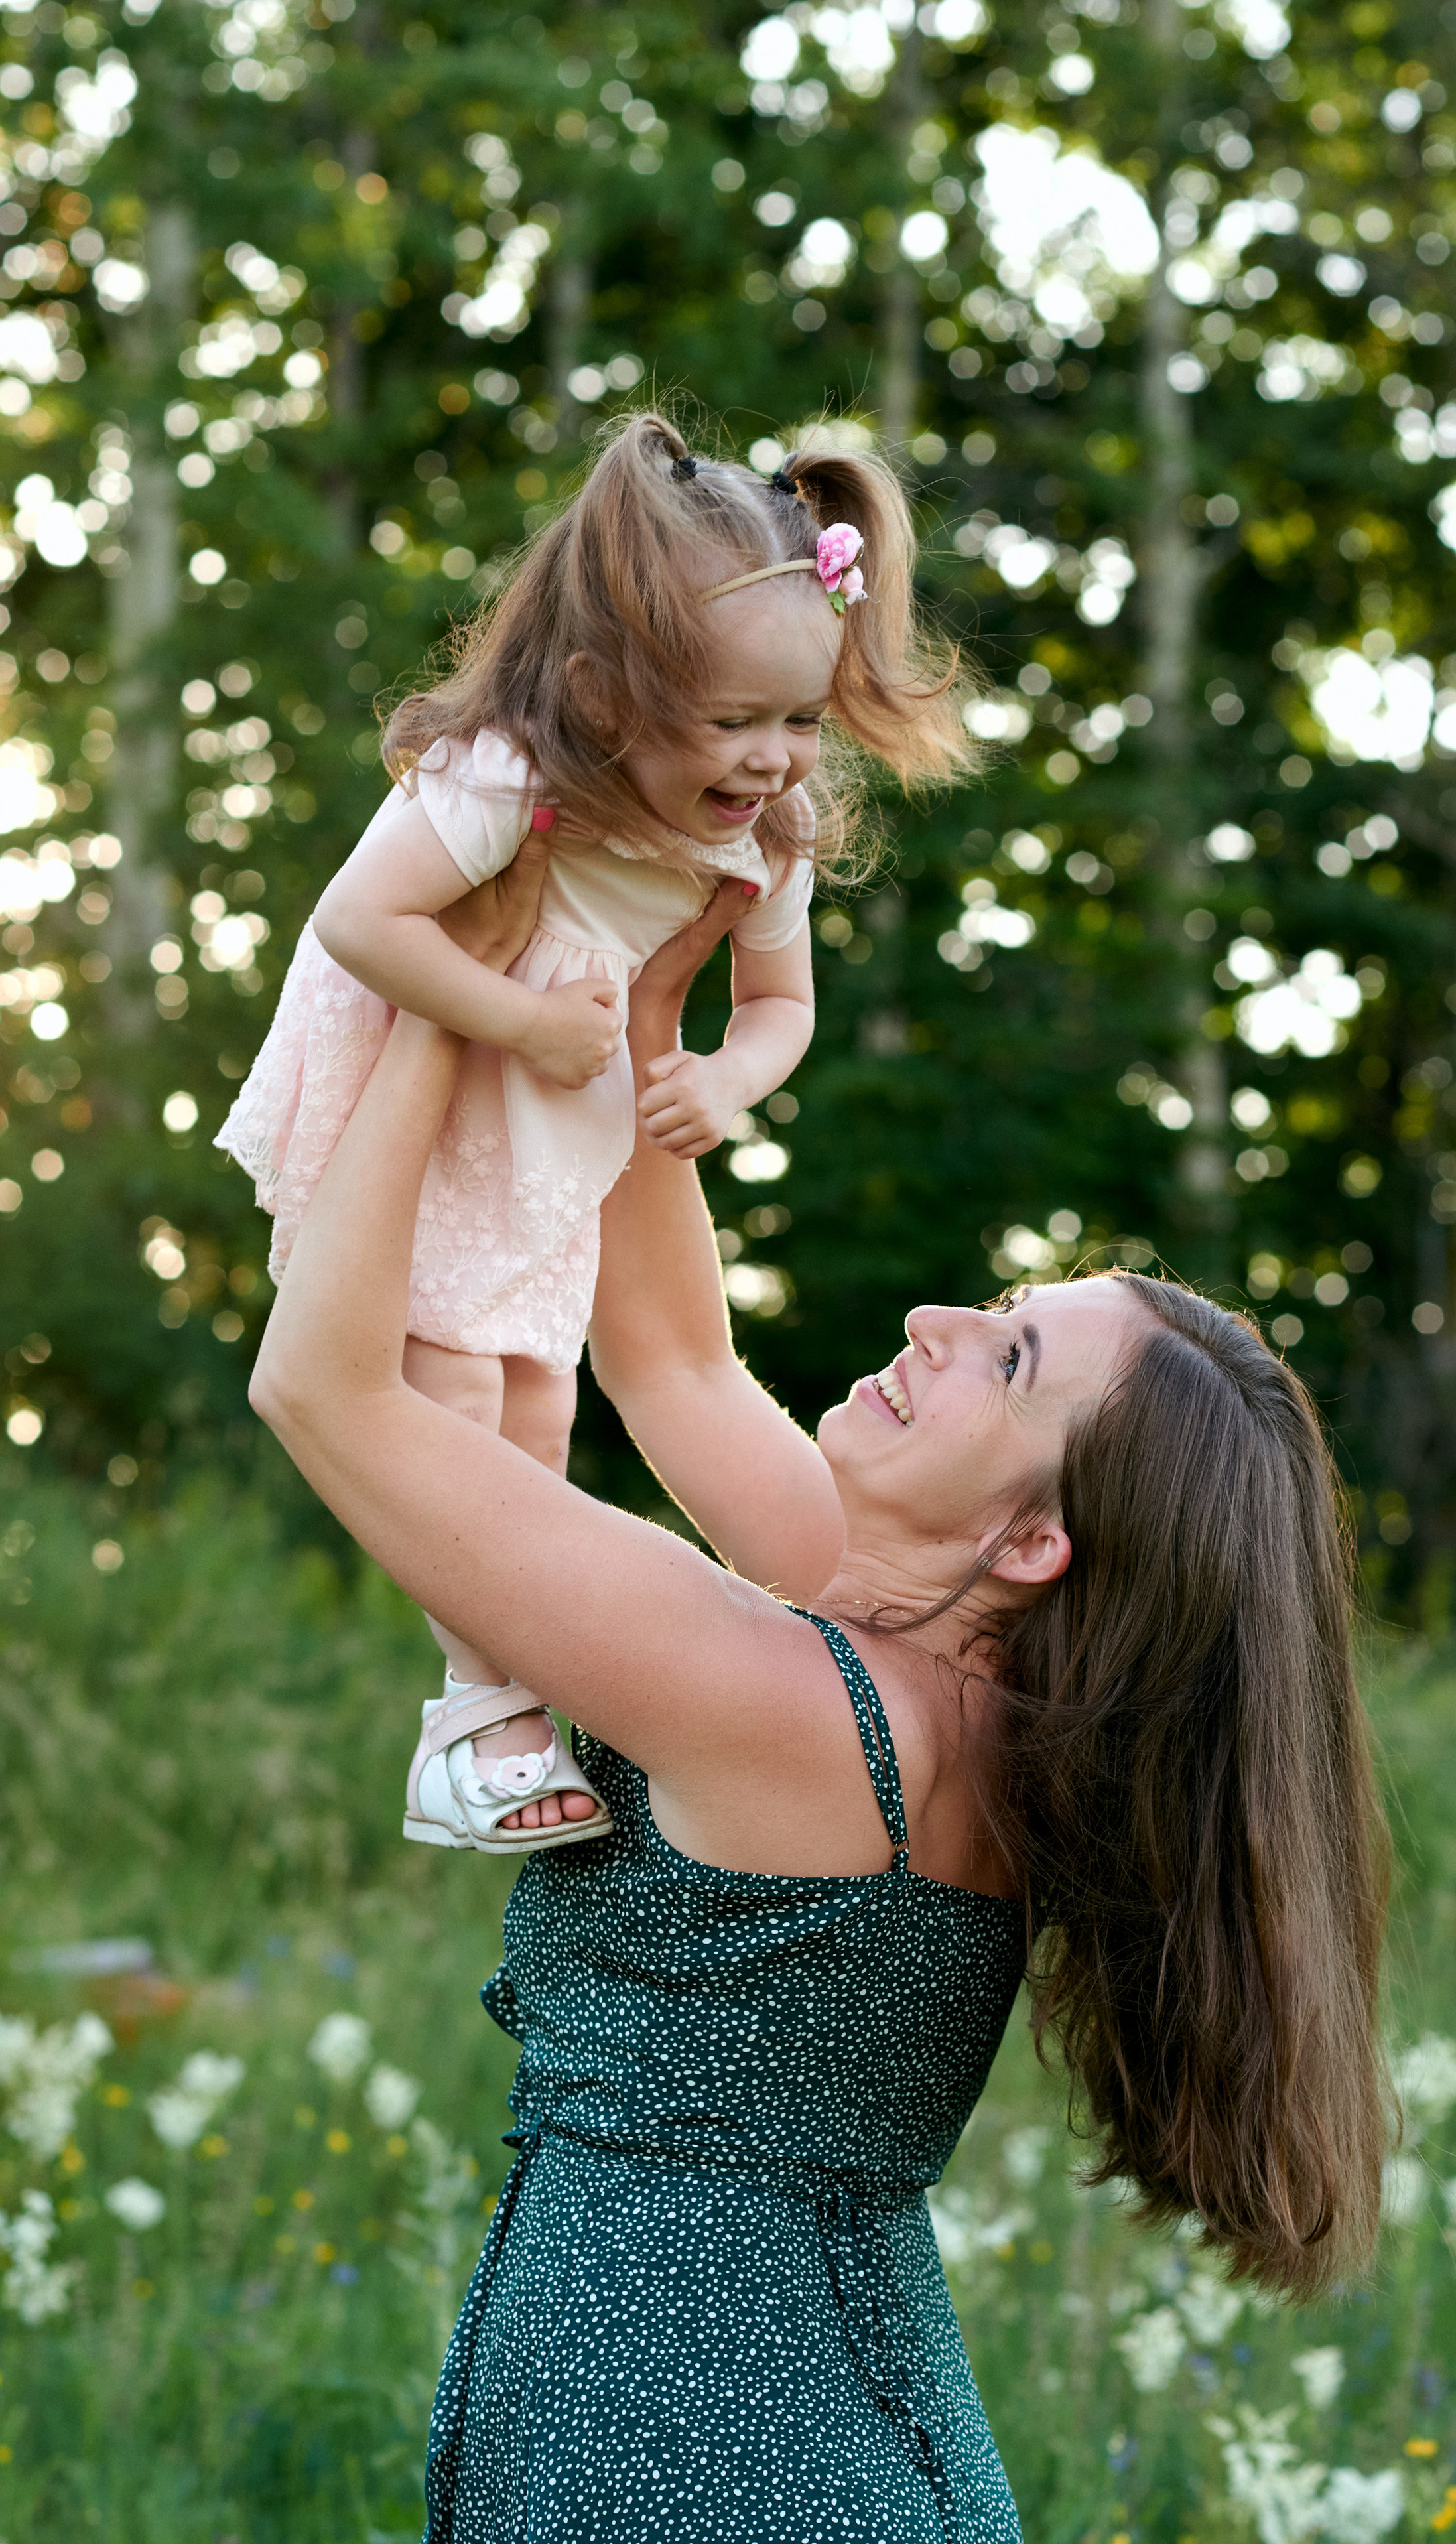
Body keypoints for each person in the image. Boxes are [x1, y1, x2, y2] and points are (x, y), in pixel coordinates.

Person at [249, 830, 1389, 2543]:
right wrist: (636, 1020)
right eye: (996, 1302)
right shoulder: (950, 1709)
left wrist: (436, 992)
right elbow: (671, 1354)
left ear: (1032, 1544)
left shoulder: (787, 1710)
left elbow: (327, 1388)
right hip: (777, 2443)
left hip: (733, 2475)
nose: (934, 1317)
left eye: (1005, 1356)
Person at [218, 410, 972, 1857]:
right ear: (605, 694)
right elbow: (363, 924)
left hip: (558, 1113)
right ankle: (482, 1717)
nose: (773, 760)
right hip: (434, 1079)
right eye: (734, 722)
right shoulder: (509, 776)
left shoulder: (764, 836)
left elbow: (781, 1006)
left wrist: (726, 1081)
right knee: (445, 1390)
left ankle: (495, 1710)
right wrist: (513, 1022)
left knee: (536, 1406)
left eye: (802, 722)